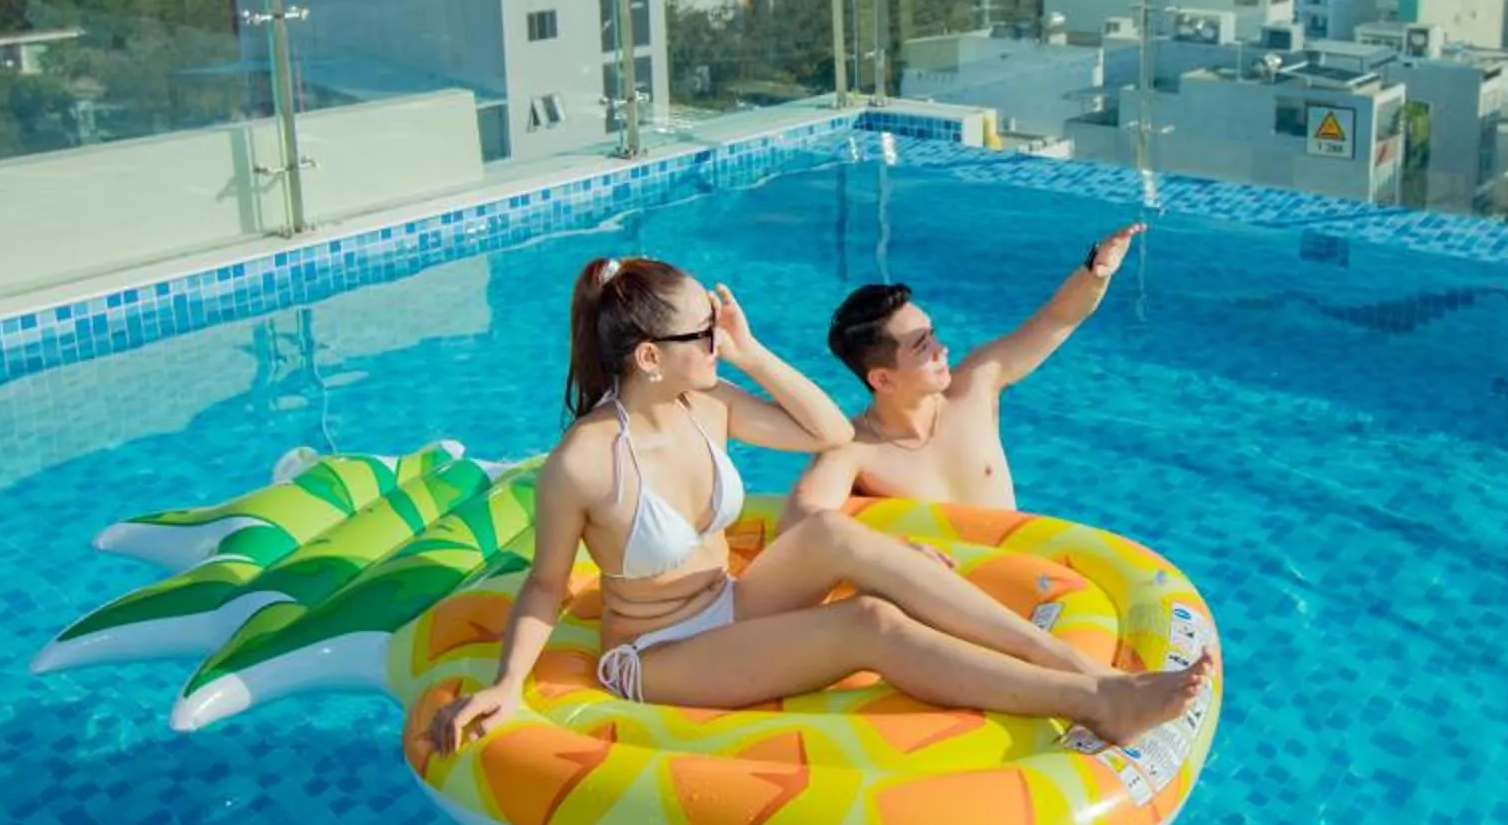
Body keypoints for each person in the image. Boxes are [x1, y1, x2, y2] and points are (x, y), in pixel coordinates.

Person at [424, 253, 1207, 755]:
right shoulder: (585, 462)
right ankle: (1095, 698)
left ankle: (1064, 660)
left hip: (728, 603)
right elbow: (546, 587)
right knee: (867, 623)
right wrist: (507, 684)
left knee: (832, 533)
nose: (718, 341)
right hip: (655, 656)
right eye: (705, 332)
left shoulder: (711, 401)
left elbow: (829, 430)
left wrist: (753, 350)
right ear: (650, 358)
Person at [788, 223, 1145, 516]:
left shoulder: (976, 386)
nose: (942, 349)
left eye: (932, 335)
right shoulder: (854, 449)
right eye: (922, 346)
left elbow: (1057, 319)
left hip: (1022, 579)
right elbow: (806, 516)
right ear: (882, 379)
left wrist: (1096, 271)